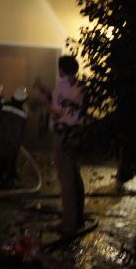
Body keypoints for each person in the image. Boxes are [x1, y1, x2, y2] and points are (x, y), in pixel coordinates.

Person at [47, 55, 86, 233]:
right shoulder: (81, 86)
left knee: (66, 179)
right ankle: (78, 217)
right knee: (75, 175)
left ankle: (68, 223)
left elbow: (58, 113)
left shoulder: (61, 86)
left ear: (61, 69)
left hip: (63, 134)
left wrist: (45, 103)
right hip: (77, 134)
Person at [0, 87, 28, 189]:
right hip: (14, 141)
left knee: (1, 158)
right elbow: (22, 130)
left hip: (2, 137)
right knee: (11, 160)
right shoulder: (23, 113)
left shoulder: (4, 105)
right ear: (23, 100)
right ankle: (8, 181)